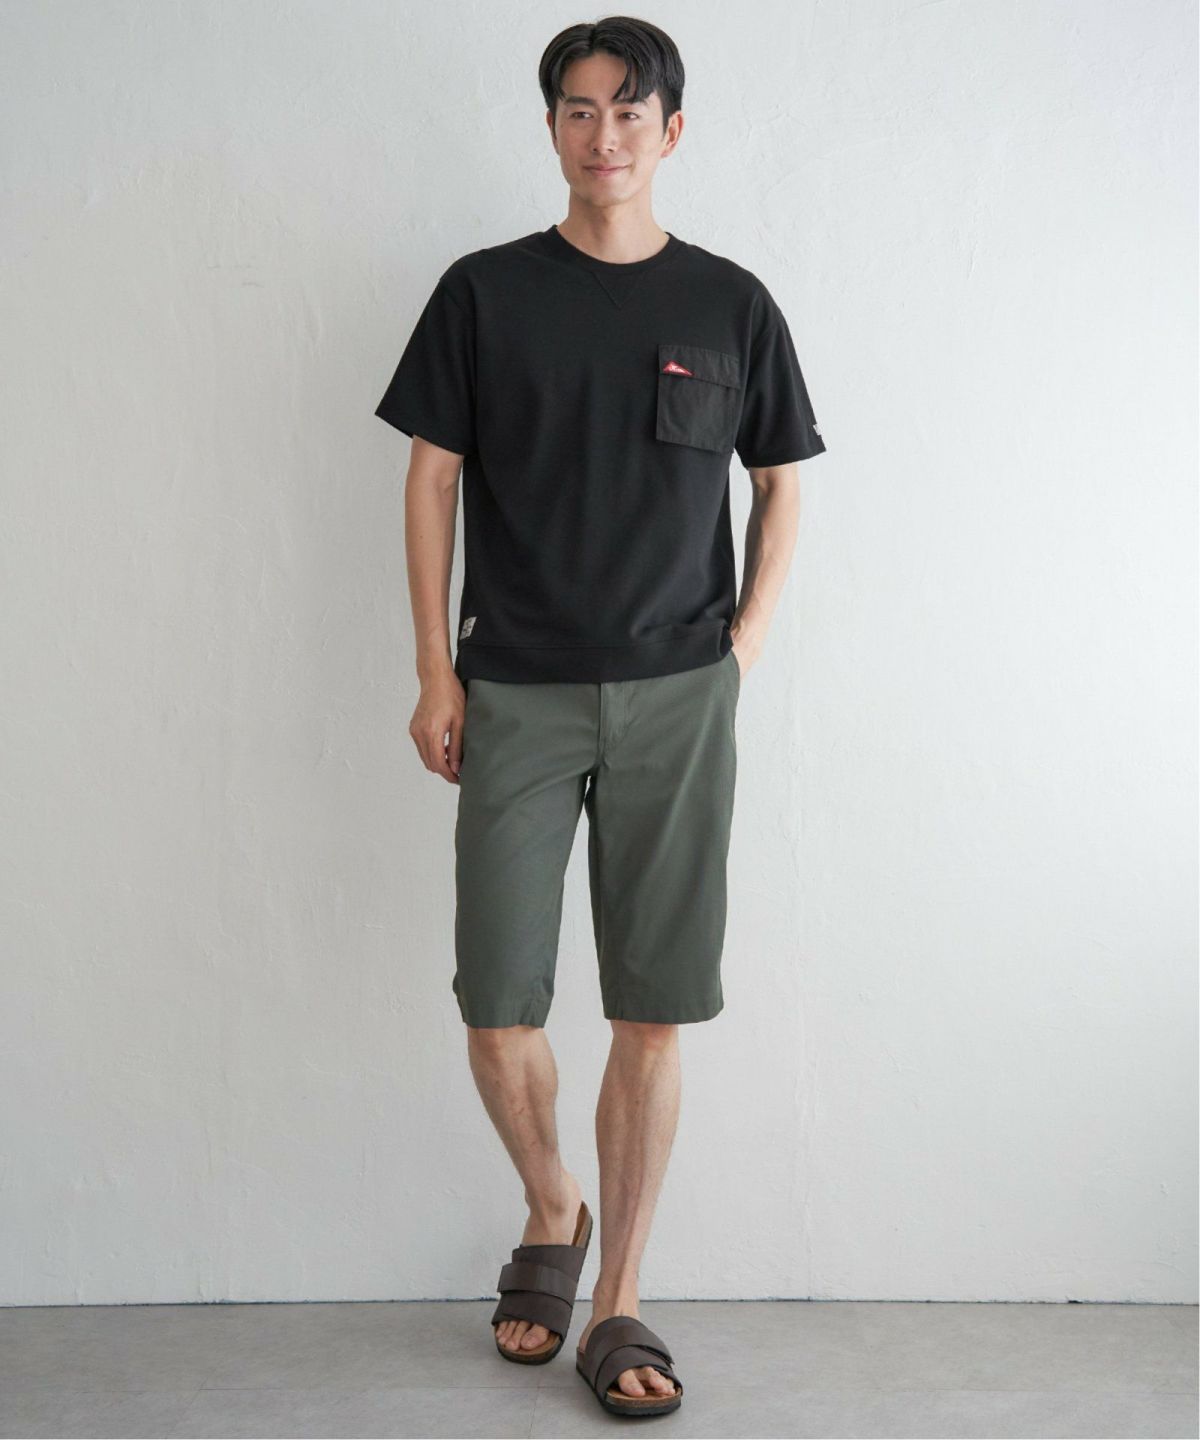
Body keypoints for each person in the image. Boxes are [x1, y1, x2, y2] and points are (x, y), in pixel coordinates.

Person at [373, 15, 827, 1420]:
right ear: (552, 128)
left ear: (671, 132)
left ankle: (617, 1296)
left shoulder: (731, 302)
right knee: (497, 1001)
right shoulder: (484, 293)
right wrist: (436, 671)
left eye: (631, 113)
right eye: (579, 110)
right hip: (512, 685)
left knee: (652, 1008)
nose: (605, 135)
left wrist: (744, 645)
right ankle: (551, 1203)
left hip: (680, 694)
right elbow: (432, 478)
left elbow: (782, 480)